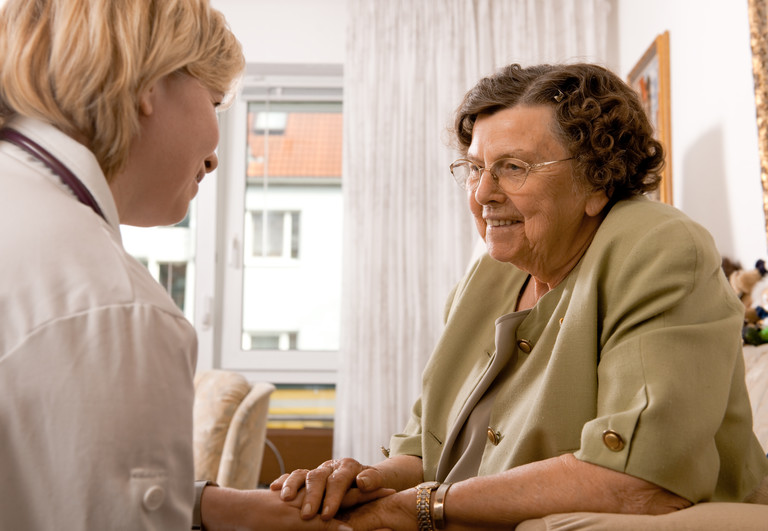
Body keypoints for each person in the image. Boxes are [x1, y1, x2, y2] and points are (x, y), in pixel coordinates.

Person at [272, 63, 768, 529]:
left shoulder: (657, 247)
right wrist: (363, 483)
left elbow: (640, 481)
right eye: (474, 168)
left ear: (598, 179)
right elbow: (428, 447)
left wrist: (423, 507)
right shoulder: (487, 275)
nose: (483, 192)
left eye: (512, 167)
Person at [0, 1, 352, 530]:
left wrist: (213, 506)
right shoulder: (115, 310)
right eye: (215, 103)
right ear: (149, 83)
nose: (215, 155)